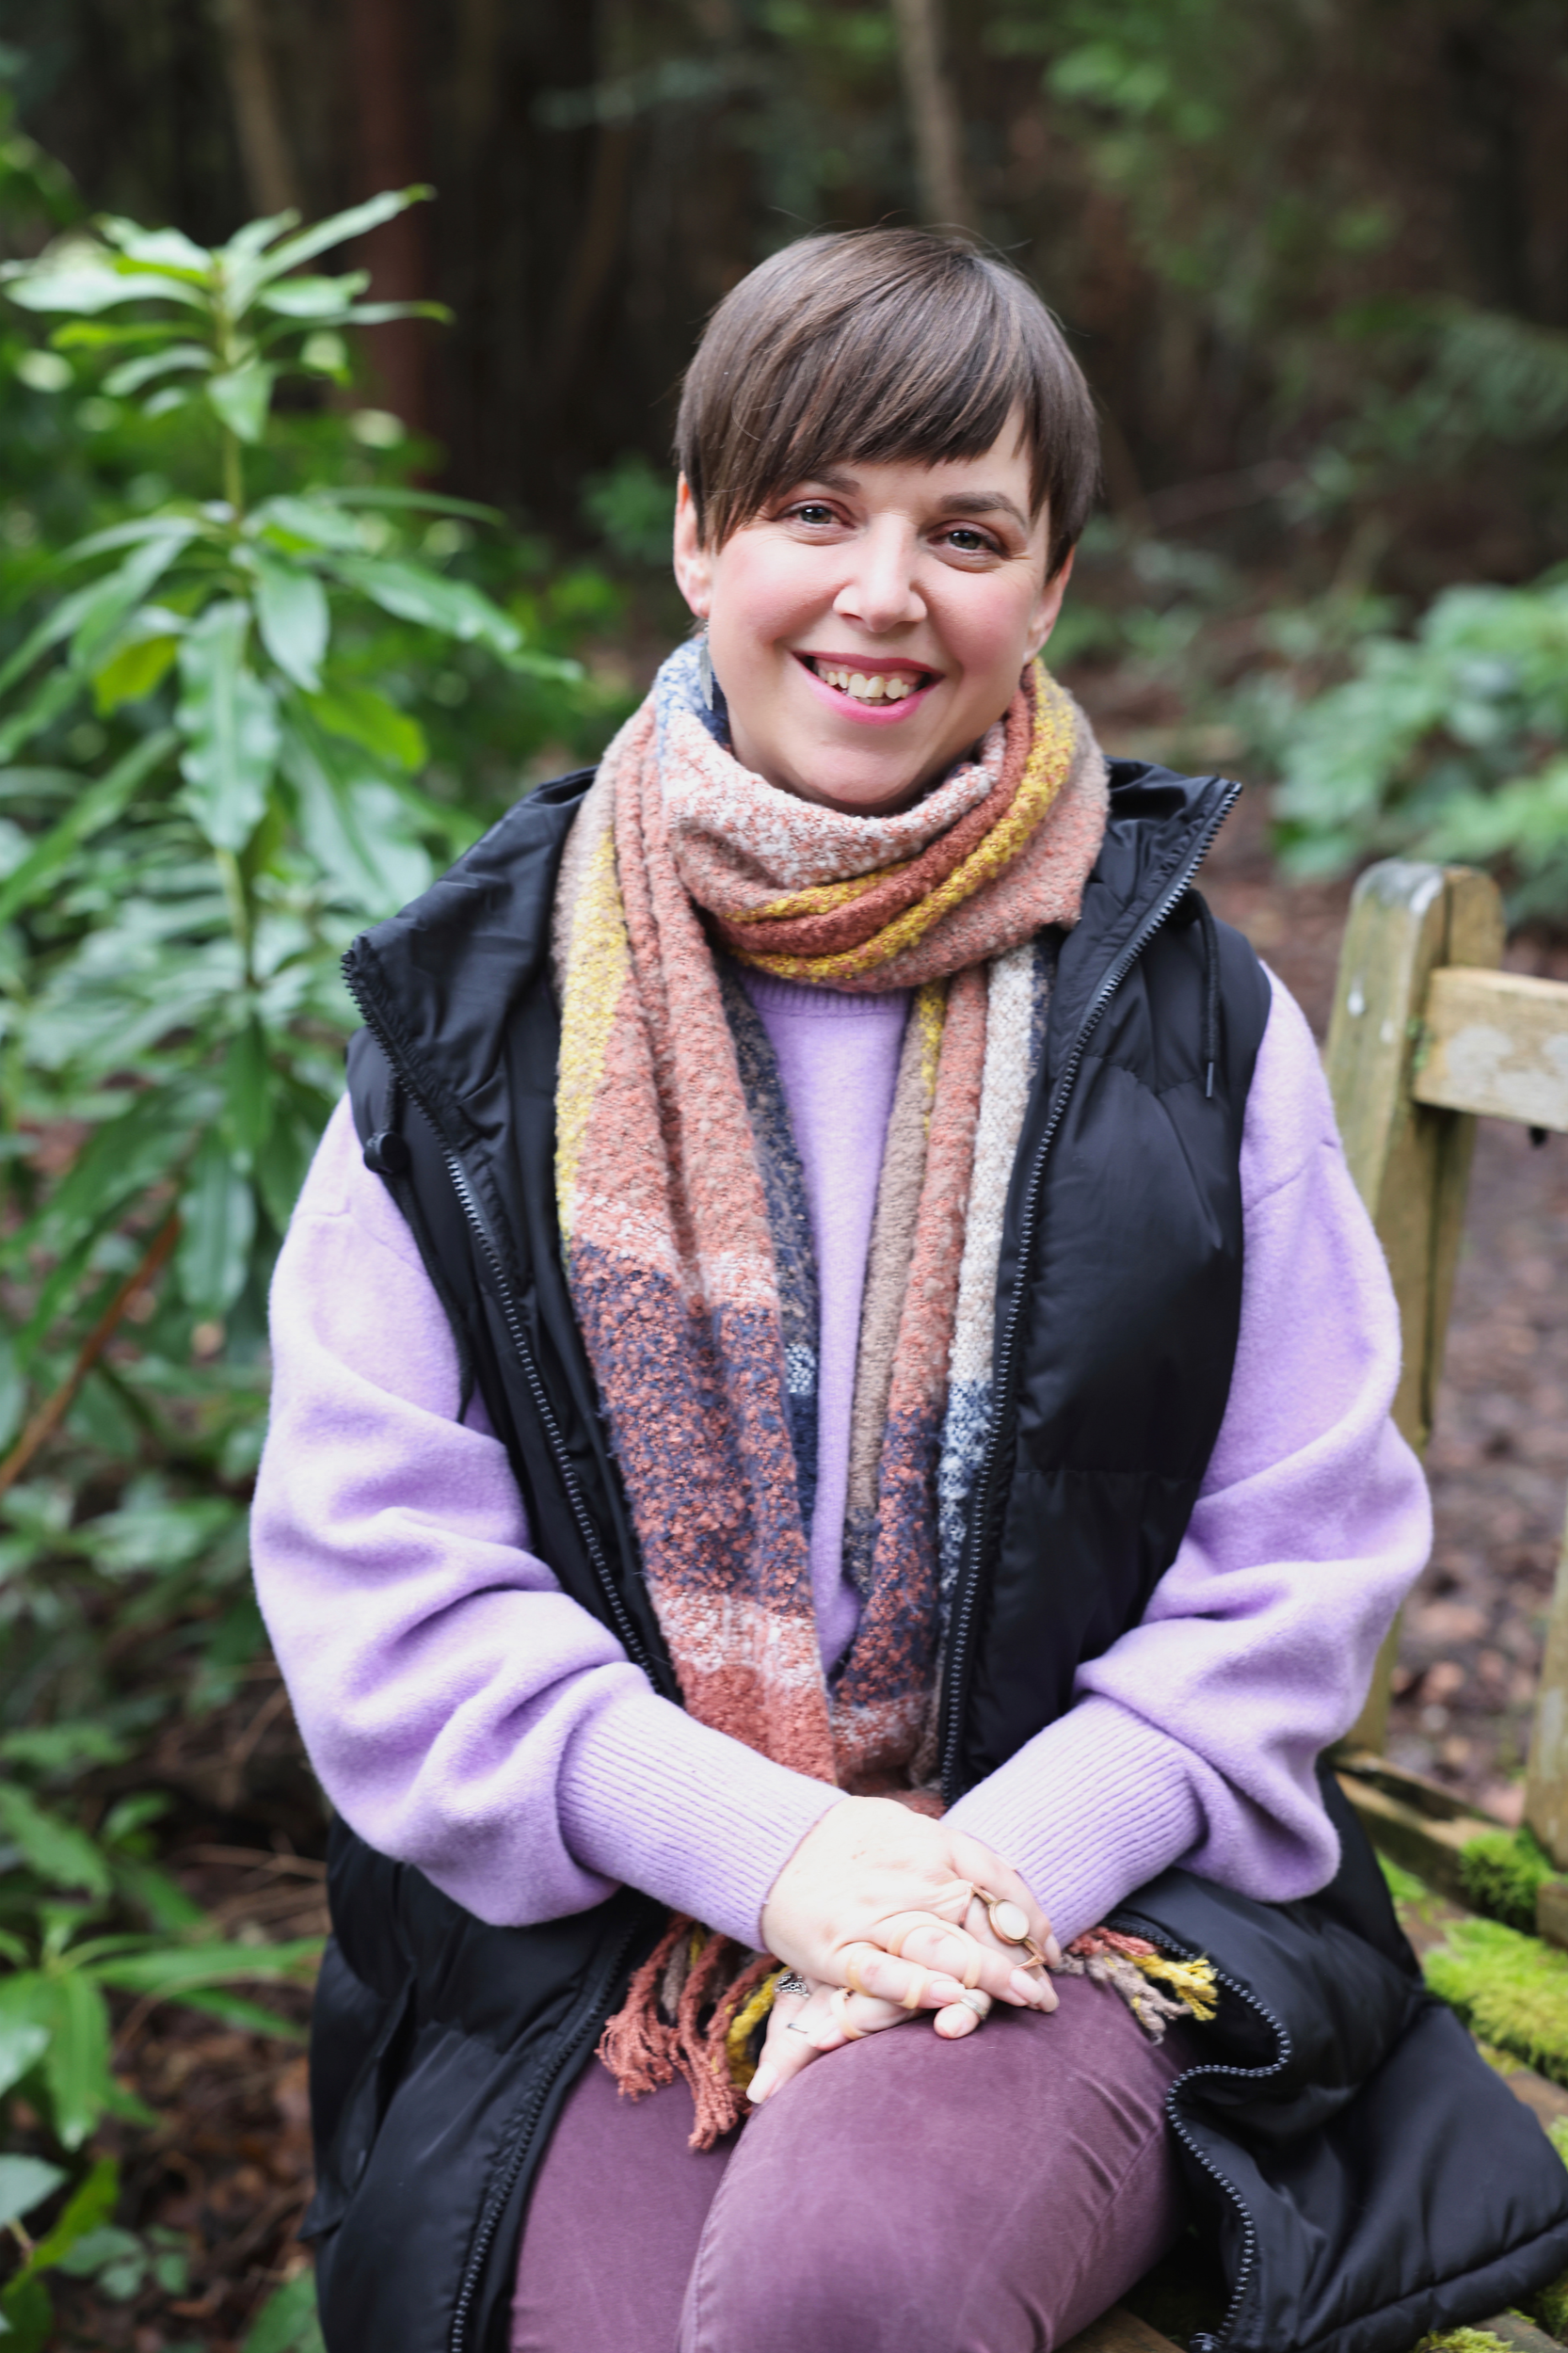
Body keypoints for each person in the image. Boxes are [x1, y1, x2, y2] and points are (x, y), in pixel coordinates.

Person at [252, 229, 1568, 2353]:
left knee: (842, 2289)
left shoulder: (1184, 1022)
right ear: (695, 538)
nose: (884, 591)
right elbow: (378, 1571)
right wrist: (776, 1858)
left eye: (965, 530)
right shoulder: (474, 1020)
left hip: (1097, 1905)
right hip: (615, 1921)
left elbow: (1292, 1559)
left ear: (1045, 588)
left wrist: (954, 1888)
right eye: (811, 509)